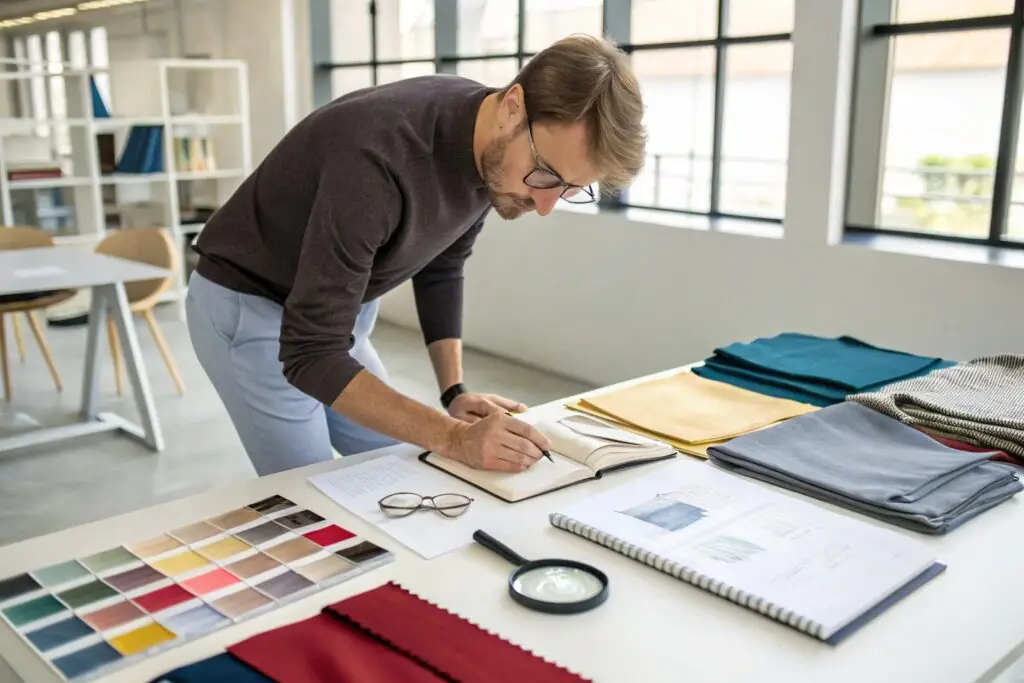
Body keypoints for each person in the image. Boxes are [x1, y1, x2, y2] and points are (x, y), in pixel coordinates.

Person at [185, 34, 646, 477]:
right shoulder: (375, 162)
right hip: (250, 305)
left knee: (399, 467)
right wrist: (455, 438)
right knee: (313, 495)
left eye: (570, 189)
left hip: (336, 316)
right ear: (512, 107)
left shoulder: (492, 148)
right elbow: (311, 353)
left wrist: (454, 392)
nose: (545, 205)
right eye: (545, 174)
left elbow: (442, 264)